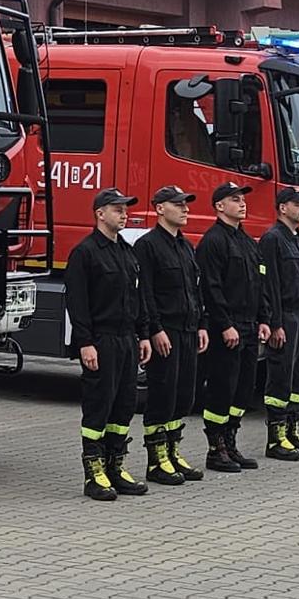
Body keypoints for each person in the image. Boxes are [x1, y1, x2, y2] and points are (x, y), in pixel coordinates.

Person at [64, 187, 154, 501]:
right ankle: (94, 473)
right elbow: (77, 304)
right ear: (100, 213)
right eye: (117, 209)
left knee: (124, 406)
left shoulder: (127, 252)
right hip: (101, 340)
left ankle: (116, 466)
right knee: (98, 406)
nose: (124, 214)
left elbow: (138, 298)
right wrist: (85, 343)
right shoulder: (85, 252)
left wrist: (143, 335)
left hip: (127, 340)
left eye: (125, 208)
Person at [134, 185, 210, 485]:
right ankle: (156, 461)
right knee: (163, 395)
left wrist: (202, 324)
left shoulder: (186, 246)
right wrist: (154, 329)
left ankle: (173, 451)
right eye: (178, 205)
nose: (185, 209)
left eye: (186, 204)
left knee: (183, 397)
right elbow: (146, 293)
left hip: (190, 330)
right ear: (160, 208)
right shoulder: (148, 245)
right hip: (166, 332)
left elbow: (195, 288)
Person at [195, 182, 266, 472]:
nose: (242, 204)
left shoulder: (247, 242)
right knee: (222, 388)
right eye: (235, 200)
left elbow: (259, 284)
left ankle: (231, 441)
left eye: (242, 200)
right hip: (228, 328)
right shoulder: (213, 241)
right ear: (220, 206)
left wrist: (264, 319)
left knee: (243, 390)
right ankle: (215, 449)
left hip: (249, 327)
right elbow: (211, 289)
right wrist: (224, 325)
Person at [257, 186, 299, 460]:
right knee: (280, 379)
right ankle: (276, 438)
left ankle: (292, 430)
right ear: (283, 207)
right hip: (284, 317)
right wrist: (275, 323)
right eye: (297, 203)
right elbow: (270, 284)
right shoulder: (273, 239)